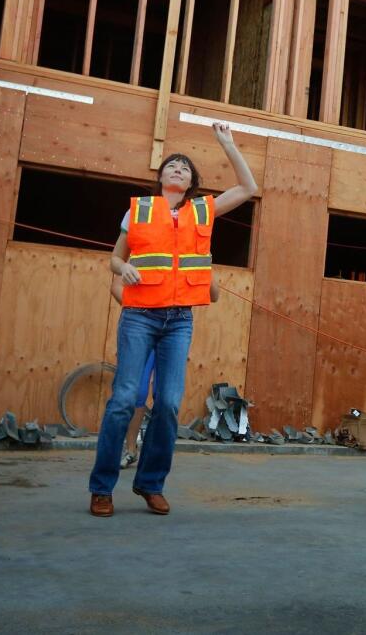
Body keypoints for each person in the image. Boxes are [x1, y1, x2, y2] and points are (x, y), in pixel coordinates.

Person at [89, 122, 257, 517]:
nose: (178, 168)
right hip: (140, 317)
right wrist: (122, 269)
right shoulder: (139, 212)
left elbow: (248, 188)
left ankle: (150, 484)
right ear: (161, 177)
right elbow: (115, 257)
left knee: (166, 404)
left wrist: (228, 145)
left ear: (192, 181)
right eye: (171, 165)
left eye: (185, 167)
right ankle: (102, 488)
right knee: (122, 401)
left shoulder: (204, 210)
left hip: (179, 321)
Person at [109, 275, 219, 470]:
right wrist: (137, 311)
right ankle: (130, 449)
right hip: (143, 327)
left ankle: (152, 460)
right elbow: (117, 285)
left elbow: (214, 295)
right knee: (137, 393)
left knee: (166, 399)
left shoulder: (192, 251)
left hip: (172, 331)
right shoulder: (148, 250)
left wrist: (205, 268)